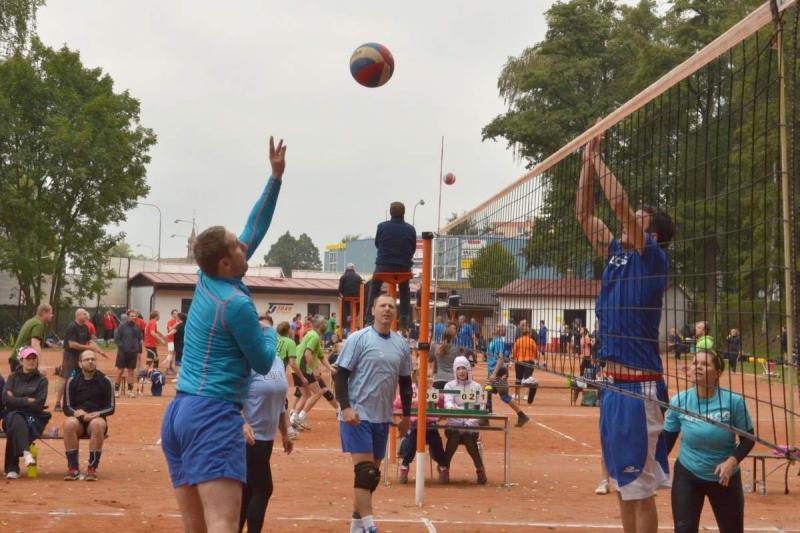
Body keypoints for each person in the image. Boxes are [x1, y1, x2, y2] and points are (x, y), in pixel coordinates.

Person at [161, 135, 285, 533]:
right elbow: (264, 362)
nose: (246, 246)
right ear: (227, 262)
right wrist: (267, 330)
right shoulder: (236, 305)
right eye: (239, 248)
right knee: (223, 524)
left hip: (180, 412)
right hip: (214, 414)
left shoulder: (205, 275)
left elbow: (254, 225)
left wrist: (275, 178)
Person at [576, 133, 675, 533]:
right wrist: (585, 163)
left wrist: (598, 158)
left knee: (641, 489)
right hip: (613, 385)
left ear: (653, 232)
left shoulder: (652, 256)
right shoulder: (616, 252)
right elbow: (585, 215)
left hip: (640, 387)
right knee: (621, 484)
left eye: (641, 215)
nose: (632, 213)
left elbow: (617, 204)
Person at [334, 294, 412, 533]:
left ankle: (356, 525)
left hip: (383, 415)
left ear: (395, 313)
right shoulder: (359, 339)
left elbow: (406, 382)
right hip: (357, 414)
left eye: (391, 306)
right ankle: (370, 527)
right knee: (365, 472)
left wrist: (406, 416)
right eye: (383, 306)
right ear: (373, 311)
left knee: (372, 477)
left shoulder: (400, 344)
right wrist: (345, 407)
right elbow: (341, 375)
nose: (387, 310)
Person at [664, 350, 754, 533]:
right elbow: (666, 442)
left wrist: (731, 461)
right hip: (688, 475)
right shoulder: (679, 401)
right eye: (695, 363)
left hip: (724, 477)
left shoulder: (733, 401)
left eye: (705, 364)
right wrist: (646, 461)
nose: (698, 367)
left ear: (718, 373)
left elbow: (748, 440)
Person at [240, 323, 293, 533]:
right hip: (248, 436)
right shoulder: (245, 363)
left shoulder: (278, 362)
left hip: (266, 437)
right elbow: (229, 396)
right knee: (263, 487)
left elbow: (280, 400)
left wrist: (285, 431)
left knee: (248, 489)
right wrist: (240, 422)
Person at [63, 349, 115, 481]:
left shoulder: (105, 380)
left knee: (98, 424)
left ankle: (92, 468)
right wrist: (80, 416)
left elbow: (111, 407)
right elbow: (66, 407)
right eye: (87, 359)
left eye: (93, 359)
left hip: (96, 419)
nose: (90, 362)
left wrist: (96, 414)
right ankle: (73, 468)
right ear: (80, 363)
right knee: (69, 423)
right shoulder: (72, 381)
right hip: (78, 420)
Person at [366, 201, 416, 328]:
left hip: (383, 266)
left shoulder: (381, 226)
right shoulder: (411, 229)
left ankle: (369, 317)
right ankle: (404, 318)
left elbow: (377, 244)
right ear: (404, 213)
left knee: (374, 287)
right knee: (405, 290)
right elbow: (413, 248)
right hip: (403, 267)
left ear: (390, 212)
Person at [393, 369, 448, 484]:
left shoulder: (434, 392)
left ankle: (442, 466)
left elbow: (443, 408)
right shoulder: (410, 390)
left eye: (430, 376)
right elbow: (396, 405)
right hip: (414, 425)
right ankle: (405, 466)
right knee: (413, 437)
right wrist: (404, 416)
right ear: (417, 377)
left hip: (430, 425)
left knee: (435, 440)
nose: (428, 378)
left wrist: (439, 417)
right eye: (425, 376)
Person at [2, 347, 50, 479]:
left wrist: (16, 400)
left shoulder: (42, 380)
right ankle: (26, 452)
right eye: (28, 358)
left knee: (15, 420)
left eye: (34, 358)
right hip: (14, 416)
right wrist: (27, 400)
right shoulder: (12, 377)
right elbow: (6, 399)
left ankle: (12, 468)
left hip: (34, 418)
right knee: (16, 418)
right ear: (21, 360)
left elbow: (39, 404)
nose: (31, 361)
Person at [442, 355, 487, 485]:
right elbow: (448, 404)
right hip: (453, 425)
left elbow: (480, 407)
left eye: (463, 368)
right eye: (458, 369)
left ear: (468, 369)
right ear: (455, 371)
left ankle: (480, 469)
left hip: (470, 426)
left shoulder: (477, 387)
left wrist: (468, 422)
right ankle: (445, 468)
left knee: (467, 435)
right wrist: (460, 415)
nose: (461, 371)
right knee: (455, 434)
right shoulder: (449, 386)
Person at [289, 315, 338, 431]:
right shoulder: (314, 336)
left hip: (298, 367)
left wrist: (330, 368)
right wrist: (314, 369)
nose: (326, 325)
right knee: (318, 392)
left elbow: (321, 356)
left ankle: (293, 418)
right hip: (304, 367)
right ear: (321, 325)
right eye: (325, 323)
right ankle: (300, 417)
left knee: (306, 395)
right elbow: (307, 353)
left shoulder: (313, 335)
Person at [55, 308, 109, 412]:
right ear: (78, 315)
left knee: (81, 377)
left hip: (81, 356)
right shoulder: (72, 327)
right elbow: (71, 344)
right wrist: (88, 348)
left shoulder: (85, 327)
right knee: (65, 378)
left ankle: (76, 401)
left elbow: (90, 342)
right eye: (84, 314)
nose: (86, 316)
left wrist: (100, 351)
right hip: (70, 356)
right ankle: (58, 403)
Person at [486, 325, 530, 427]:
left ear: (500, 331)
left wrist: (494, 373)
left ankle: (522, 415)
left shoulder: (498, 342)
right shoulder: (493, 340)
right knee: (486, 392)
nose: (494, 328)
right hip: (494, 372)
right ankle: (486, 417)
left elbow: (501, 358)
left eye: (497, 327)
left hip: (499, 372)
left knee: (504, 396)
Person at [9, 303, 53, 373]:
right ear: (44, 313)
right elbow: (35, 344)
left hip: (17, 359)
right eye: (50, 313)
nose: (52, 315)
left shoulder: (31, 321)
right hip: (22, 361)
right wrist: (40, 365)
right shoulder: (39, 324)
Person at [114, 310, 144, 398]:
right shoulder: (122, 326)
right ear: (128, 317)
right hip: (122, 353)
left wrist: (138, 350)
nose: (134, 317)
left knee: (131, 372)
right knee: (120, 371)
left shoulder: (137, 327)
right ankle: (116, 391)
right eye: (132, 316)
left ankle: (130, 391)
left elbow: (139, 340)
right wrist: (123, 347)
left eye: (135, 316)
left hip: (133, 353)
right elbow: (117, 339)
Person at [511, 328, 539, 404]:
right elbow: (536, 351)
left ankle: (516, 394)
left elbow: (514, 351)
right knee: (528, 378)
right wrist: (536, 359)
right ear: (528, 333)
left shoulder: (518, 340)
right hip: (529, 361)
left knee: (518, 378)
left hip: (519, 361)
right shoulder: (532, 341)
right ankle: (526, 395)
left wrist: (515, 358)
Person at [430, 324, 459, 390]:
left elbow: (429, 360)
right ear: (453, 337)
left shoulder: (436, 347)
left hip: (439, 379)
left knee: (436, 400)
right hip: (452, 380)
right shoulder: (456, 349)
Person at [339, 263, 364, 328]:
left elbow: (340, 289)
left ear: (346, 269)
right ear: (353, 269)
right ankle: (355, 316)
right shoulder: (358, 277)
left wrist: (342, 294)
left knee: (346, 304)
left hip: (347, 296)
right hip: (357, 296)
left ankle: (348, 316)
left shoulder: (343, 277)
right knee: (358, 304)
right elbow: (362, 286)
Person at [164, 309, 179, 374]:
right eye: (175, 313)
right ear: (172, 314)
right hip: (171, 340)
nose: (176, 314)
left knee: (173, 355)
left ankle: (170, 367)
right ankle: (167, 369)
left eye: (177, 313)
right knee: (170, 354)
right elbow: (170, 329)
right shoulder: (170, 321)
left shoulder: (178, 321)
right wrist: (176, 324)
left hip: (176, 340)